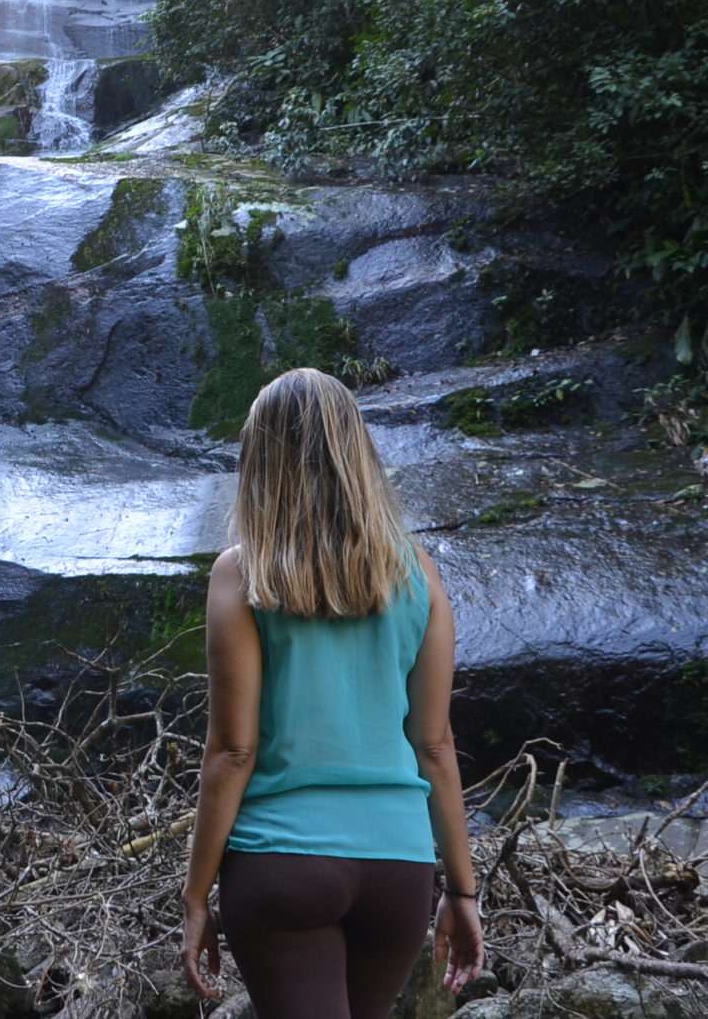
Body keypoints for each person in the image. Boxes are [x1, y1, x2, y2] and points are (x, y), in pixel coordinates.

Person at [181, 367, 485, 1017]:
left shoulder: (243, 574)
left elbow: (233, 751)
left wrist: (195, 896)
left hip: (282, 862)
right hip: (397, 868)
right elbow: (434, 744)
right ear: (357, 453)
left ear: (262, 460)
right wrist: (462, 893)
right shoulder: (419, 574)